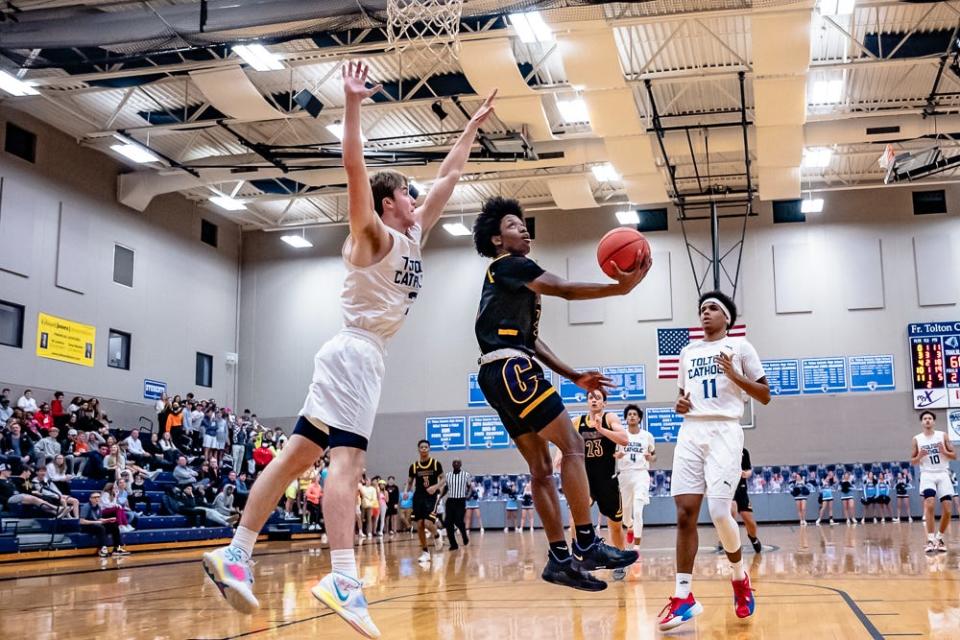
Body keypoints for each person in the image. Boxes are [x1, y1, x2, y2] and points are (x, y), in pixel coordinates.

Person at [202, 60, 496, 638]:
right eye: (406, 194)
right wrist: (354, 104)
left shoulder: (412, 234)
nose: (416, 198)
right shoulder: (372, 233)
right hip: (357, 354)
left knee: (294, 458)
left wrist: (471, 130)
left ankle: (235, 553)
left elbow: (447, 177)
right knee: (347, 461)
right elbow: (354, 167)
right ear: (389, 204)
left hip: (350, 356)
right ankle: (342, 576)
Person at [472, 196, 648, 594]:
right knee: (572, 447)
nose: (524, 230)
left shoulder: (510, 281)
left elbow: (532, 340)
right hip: (513, 369)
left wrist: (574, 376)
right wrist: (617, 290)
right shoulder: (511, 265)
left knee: (539, 469)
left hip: (497, 371)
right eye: (515, 226)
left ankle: (559, 560)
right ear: (498, 240)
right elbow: (566, 290)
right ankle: (586, 542)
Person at [658, 290, 770, 631]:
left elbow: (765, 395)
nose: (705, 313)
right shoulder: (687, 352)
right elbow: (683, 396)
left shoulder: (741, 347)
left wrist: (735, 376)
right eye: (702, 309)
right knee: (684, 513)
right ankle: (683, 597)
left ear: (727, 318)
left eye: (712, 308)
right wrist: (680, 405)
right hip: (691, 432)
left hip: (725, 431)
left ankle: (739, 576)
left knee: (721, 512)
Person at [576, 389, 628, 562]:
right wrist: (560, 456)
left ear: (604, 403)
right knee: (576, 522)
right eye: (590, 397)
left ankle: (620, 559)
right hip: (585, 481)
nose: (594, 400)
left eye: (598, 398)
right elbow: (566, 443)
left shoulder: (610, 418)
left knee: (615, 527)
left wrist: (601, 429)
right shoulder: (578, 422)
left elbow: (624, 439)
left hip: (607, 481)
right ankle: (578, 558)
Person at [911, 411, 956, 553]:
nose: (927, 420)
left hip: (943, 473)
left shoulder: (942, 436)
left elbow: (954, 456)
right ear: (922, 422)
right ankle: (930, 540)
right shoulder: (917, 439)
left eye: (930, 418)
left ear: (934, 421)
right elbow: (913, 461)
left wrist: (944, 452)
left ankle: (940, 538)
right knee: (929, 504)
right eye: (925, 418)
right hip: (927, 474)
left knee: (948, 509)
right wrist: (919, 455)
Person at [615, 404, 655, 549]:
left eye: (634, 414)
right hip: (625, 475)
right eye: (629, 414)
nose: (632, 416)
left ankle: (636, 547)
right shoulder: (620, 435)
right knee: (625, 513)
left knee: (638, 510)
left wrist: (650, 457)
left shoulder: (647, 436)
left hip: (640, 474)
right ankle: (630, 526)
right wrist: (617, 455)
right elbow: (613, 454)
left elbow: (654, 456)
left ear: (639, 418)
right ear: (625, 418)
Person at [407, 440, 445, 561]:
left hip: (431, 496)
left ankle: (437, 535)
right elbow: (410, 482)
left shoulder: (435, 464)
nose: (424, 449)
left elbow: (444, 479)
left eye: (426, 447)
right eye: (421, 447)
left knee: (428, 523)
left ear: (429, 449)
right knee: (419, 525)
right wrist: (407, 492)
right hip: (418, 496)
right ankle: (425, 552)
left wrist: (435, 487)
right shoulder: (414, 466)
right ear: (418, 449)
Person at [730, 448, 763, 552]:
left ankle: (753, 538)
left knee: (749, 520)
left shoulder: (744, 451)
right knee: (732, 511)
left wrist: (746, 474)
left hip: (742, 490)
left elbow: (748, 470)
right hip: (728, 489)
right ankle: (728, 540)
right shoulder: (722, 450)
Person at [79, 492, 128, 557]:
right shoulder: (86, 507)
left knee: (114, 526)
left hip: (96, 525)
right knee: (100, 527)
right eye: (95, 497)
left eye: (98, 497)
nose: (97, 499)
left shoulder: (98, 507)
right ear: (90, 499)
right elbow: (81, 521)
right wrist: (97, 522)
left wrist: (108, 520)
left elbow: (98, 519)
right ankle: (103, 548)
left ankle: (116, 548)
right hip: (86, 527)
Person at [443, 459, 472, 549]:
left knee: (458, 520)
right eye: (454, 462)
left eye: (457, 462)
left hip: (460, 500)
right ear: (452, 464)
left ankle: (464, 535)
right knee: (448, 522)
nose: (456, 464)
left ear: (460, 464)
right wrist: (440, 496)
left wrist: (468, 495)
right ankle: (453, 544)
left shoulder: (466, 475)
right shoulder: (448, 475)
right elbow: (446, 488)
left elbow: (470, 487)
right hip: (450, 501)